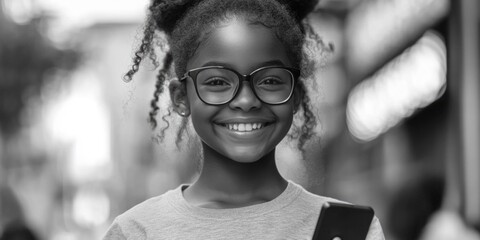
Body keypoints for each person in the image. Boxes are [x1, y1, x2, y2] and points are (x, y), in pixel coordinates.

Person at [104, 0, 385, 239]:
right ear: (181, 98)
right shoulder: (136, 232)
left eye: (271, 80)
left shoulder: (351, 232)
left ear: (296, 96)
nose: (246, 100)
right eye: (216, 82)